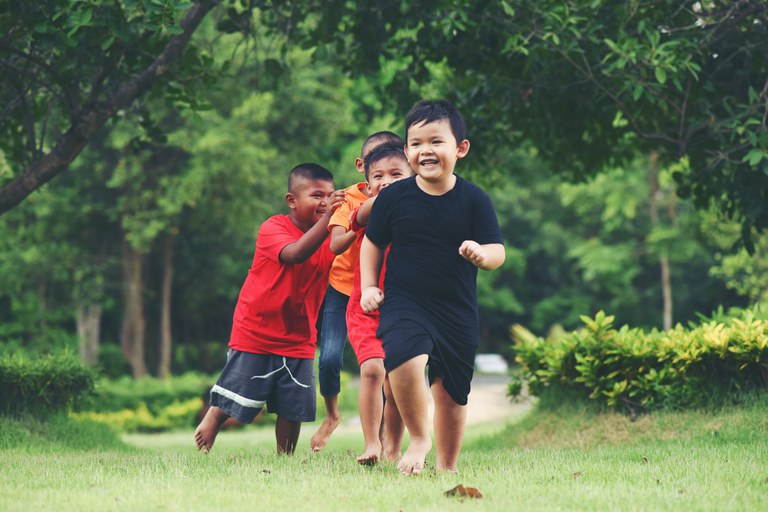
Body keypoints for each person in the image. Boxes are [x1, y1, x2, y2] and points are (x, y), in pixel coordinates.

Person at [359, 99, 506, 475]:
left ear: (460, 148)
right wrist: (368, 286)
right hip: (405, 301)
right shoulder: (394, 197)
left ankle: (448, 466)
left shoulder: (474, 199)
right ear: (407, 151)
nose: (425, 150)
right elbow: (372, 243)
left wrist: (481, 254)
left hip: (456, 308)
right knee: (404, 358)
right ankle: (419, 439)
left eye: (436, 141)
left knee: (452, 393)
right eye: (416, 142)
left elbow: (498, 251)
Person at [194, 163, 346, 455]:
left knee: (294, 402)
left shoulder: (332, 239)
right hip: (257, 328)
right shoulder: (273, 228)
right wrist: (328, 218)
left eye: (329, 195)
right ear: (292, 201)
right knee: (243, 392)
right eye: (316, 195)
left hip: (300, 333)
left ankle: (284, 457)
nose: (325, 202)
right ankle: (215, 416)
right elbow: (295, 254)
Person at [310, 131, 405, 452]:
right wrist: (363, 219)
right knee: (332, 358)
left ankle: (383, 438)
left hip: (389, 292)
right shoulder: (350, 200)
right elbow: (335, 243)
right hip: (344, 289)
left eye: (395, 168)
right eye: (377, 169)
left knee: (387, 371)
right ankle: (335, 416)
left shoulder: (409, 197)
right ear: (363, 167)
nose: (386, 176)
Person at [345, 144, 413, 465]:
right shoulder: (367, 209)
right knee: (372, 370)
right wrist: (387, 195)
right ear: (368, 184)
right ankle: (371, 443)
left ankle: (393, 446)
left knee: (396, 378)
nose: (386, 181)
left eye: (396, 174)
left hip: (403, 309)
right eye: (378, 176)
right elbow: (359, 215)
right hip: (365, 308)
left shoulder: (418, 212)